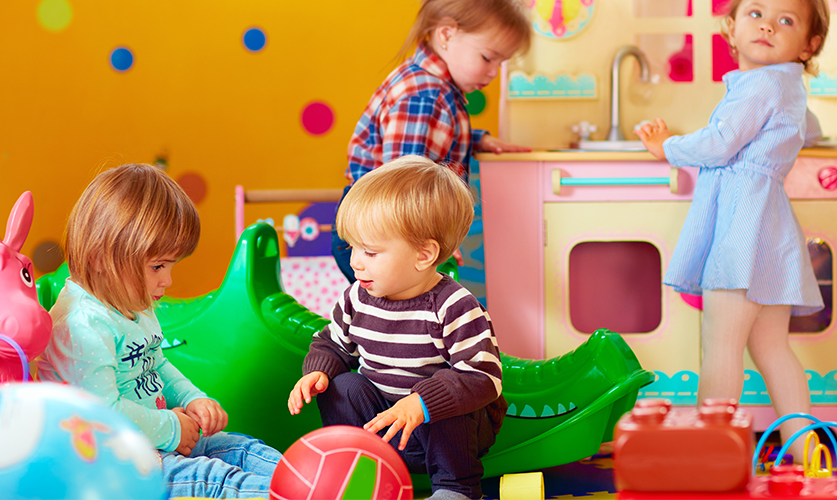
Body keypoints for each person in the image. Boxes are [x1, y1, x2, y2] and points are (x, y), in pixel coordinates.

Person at [633, 0, 830, 462]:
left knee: (721, 342)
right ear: (732, 27)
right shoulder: (786, 85)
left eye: (786, 20)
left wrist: (667, 146)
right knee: (773, 348)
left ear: (808, 45)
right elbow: (808, 130)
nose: (767, 25)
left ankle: (710, 450)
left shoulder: (760, 83)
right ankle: (806, 451)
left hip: (744, 226)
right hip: (770, 228)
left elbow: (721, 143)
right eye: (755, 14)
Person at [37, 163, 282, 498]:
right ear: (100, 258)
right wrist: (172, 428)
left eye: (170, 266)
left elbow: (156, 363)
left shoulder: (129, 300)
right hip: (108, 463)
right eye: (157, 267)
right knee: (212, 480)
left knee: (241, 449)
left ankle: (317, 479)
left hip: (157, 440)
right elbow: (104, 414)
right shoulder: (80, 326)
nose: (167, 281)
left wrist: (192, 397)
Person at [288, 156, 505, 500]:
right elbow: (332, 344)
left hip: (443, 431)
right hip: (385, 422)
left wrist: (421, 403)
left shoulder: (453, 305)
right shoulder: (357, 297)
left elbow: (484, 377)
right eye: (353, 248)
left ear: (424, 255)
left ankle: (455, 487)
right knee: (342, 385)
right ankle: (358, 466)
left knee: (446, 394)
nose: (355, 262)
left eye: (370, 252)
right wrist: (318, 373)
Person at [331, 0, 533, 283]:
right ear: (447, 34)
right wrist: (430, 237)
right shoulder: (425, 96)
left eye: (501, 63)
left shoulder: (431, 88)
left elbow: (434, 139)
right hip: (382, 232)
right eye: (488, 58)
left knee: (401, 317)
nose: (494, 72)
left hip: (383, 226)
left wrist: (479, 141)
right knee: (400, 319)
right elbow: (405, 181)